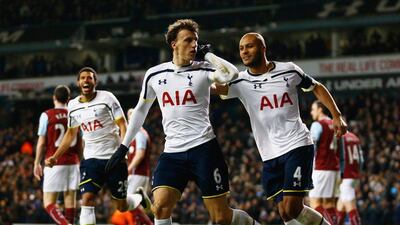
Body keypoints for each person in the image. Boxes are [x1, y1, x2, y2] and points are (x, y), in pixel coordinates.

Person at [105, 19, 259, 225]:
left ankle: (249, 223)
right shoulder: (154, 74)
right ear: (173, 44)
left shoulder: (204, 69)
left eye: (196, 40)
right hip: (173, 153)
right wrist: (123, 147)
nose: (194, 45)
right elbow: (140, 111)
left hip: (204, 149)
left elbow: (231, 75)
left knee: (221, 218)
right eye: (188, 40)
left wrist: (209, 55)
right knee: (159, 206)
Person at [213, 32, 347, 225]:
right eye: (241, 48)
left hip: (297, 144)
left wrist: (336, 115)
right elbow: (213, 88)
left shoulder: (289, 70)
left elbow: (316, 87)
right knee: (285, 213)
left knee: (293, 208)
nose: (244, 52)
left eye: (249, 46)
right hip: (269, 154)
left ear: (263, 48)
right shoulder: (240, 81)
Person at [45, 67, 144, 225]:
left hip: (114, 158)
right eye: (83, 78)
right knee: (87, 199)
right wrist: (55, 157)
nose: (86, 80)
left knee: (121, 206)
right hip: (91, 160)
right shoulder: (73, 105)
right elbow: (71, 134)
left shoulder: (107, 98)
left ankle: (138, 198)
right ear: (78, 82)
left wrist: (123, 150)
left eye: (90, 78)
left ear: (95, 82)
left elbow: (123, 124)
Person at [33, 85, 82, 225]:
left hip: (53, 162)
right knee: (70, 200)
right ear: (68, 99)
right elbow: (81, 142)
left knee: (49, 203)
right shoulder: (75, 114)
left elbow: (42, 142)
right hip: (73, 162)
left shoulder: (46, 115)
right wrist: (80, 159)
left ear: (54, 98)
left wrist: (37, 162)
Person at [110, 108, 153, 225]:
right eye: (129, 116)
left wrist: (128, 169)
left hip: (137, 173)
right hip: (139, 174)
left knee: (129, 204)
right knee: (133, 206)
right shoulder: (136, 134)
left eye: (133, 116)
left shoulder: (139, 134)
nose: (131, 118)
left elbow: (140, 155)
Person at [309, 101, 341, 224]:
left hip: (321, 168)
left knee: (314, 202)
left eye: (313, 109)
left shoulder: (317, 125)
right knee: (329, 204)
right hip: (334, 167)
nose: (312, 112)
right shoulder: (334, 123)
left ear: (320, 110)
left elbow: (312, 146)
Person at [337, 131, 363, 225]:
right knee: (341, 206)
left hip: (346, 176)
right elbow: (361, 160)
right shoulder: (355, 138)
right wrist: (358, 176)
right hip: (355, 176)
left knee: (350, 205)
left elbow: (338, 157)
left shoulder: (340, 138)